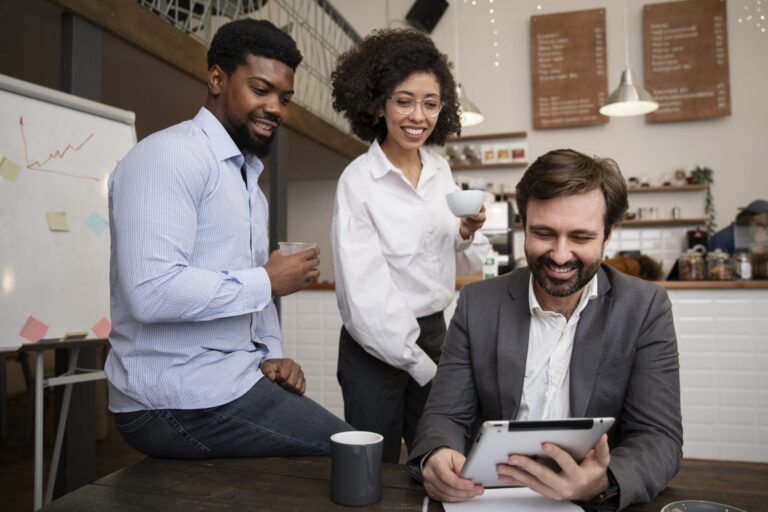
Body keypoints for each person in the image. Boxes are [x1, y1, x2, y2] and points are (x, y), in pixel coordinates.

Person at [105, 19, 350, 459]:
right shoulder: (169, 155)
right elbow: (150, 291)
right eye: (261, 89)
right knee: (351, 453)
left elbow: (247, 292)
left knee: (350, 450)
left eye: (285, 98)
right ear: (217, 79)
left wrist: (271, 354)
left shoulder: (248, 185)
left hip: (230, 381)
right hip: (172, 398)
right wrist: (267, 281)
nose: (276, 108)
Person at [409, 149, 683, 510]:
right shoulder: (478, 303)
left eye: (581, 238)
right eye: (544, 233)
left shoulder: (645, 307)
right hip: (487, 497)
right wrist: (438, 455)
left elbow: (659, 437)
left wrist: (603, 481)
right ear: (523, 224)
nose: (559, 254)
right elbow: (445, 414)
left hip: (590, 502)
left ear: (608, 233)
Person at [330, 29, 490, 464]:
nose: (418, 115)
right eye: (404, 100)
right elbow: (366, 298)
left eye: (431, 103)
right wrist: (423, 366)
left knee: (440, 458)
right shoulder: (358, 181)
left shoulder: (441, 171)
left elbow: (461, 257)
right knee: (372, 469)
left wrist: (467, 232)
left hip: (435, 332)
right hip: (373, 346)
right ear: (378, 102)